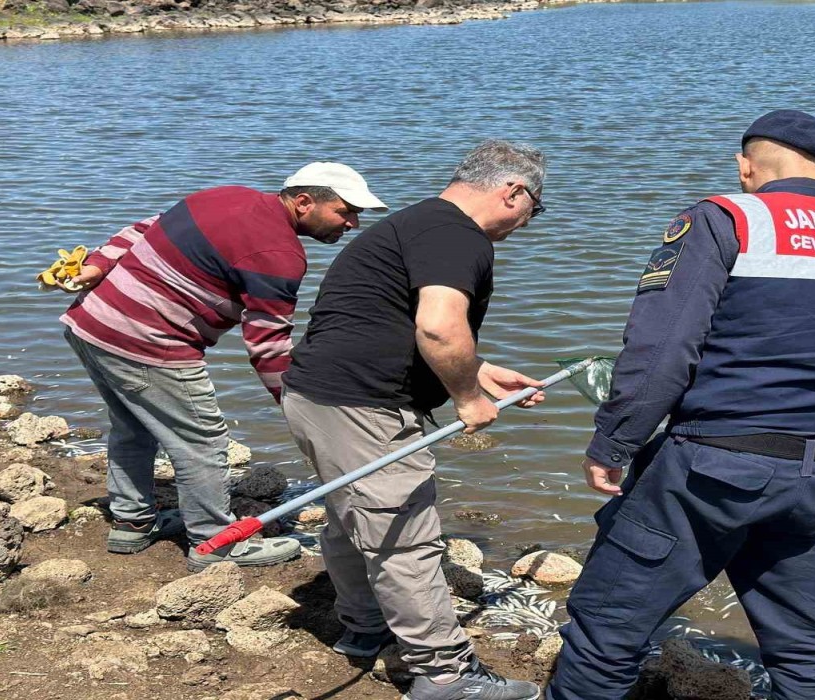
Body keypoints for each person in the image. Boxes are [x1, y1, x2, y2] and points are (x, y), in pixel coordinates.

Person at [546, 110, 815, 700]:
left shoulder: (727, 217)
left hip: (711, 470)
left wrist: (615, 441)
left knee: (608, 629)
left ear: (746, 166)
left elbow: (662, 350)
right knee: (808, 649)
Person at [281, 140, 549, 700]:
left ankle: (363, 628)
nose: (527, 223)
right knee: (402, 534)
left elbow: (390, 321)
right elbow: (436, 328)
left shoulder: (421, 223)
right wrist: (467, 398)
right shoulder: (457, 235)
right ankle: (444, 675)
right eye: (535, 209)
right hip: (361, 404)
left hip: (316, 395)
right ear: (513, 191)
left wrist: (481, 373)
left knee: (353, 516)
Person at [60, 163, 386, 572]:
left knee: (133, 425)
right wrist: (298, 406)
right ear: (304, 202)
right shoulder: (279, 255)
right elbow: (267, 345)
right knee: (203, 442)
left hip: (92, 322)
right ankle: (215, 542)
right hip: (148, 344)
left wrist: (96, 263)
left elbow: (143, 228)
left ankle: (131, 522)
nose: (353, 223)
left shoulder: (223, 196)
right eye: (346, 211)